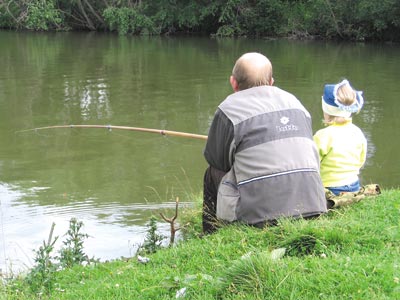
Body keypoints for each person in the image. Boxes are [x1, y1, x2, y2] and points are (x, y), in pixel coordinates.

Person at [202, 52, 327, 234]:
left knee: (211, 173)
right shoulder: (296, 104)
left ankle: (211, 233)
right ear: (271, 82)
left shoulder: (228, 109)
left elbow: (217, 160)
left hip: (259, 218)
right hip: (313, 205)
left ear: (233, 82)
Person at [313, 79, 367, 196]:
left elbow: (312, 163)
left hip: (330, 188)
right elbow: (361, 160)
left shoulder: (322, 135)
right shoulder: (357, 132)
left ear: (326, 110)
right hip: (354, 185)